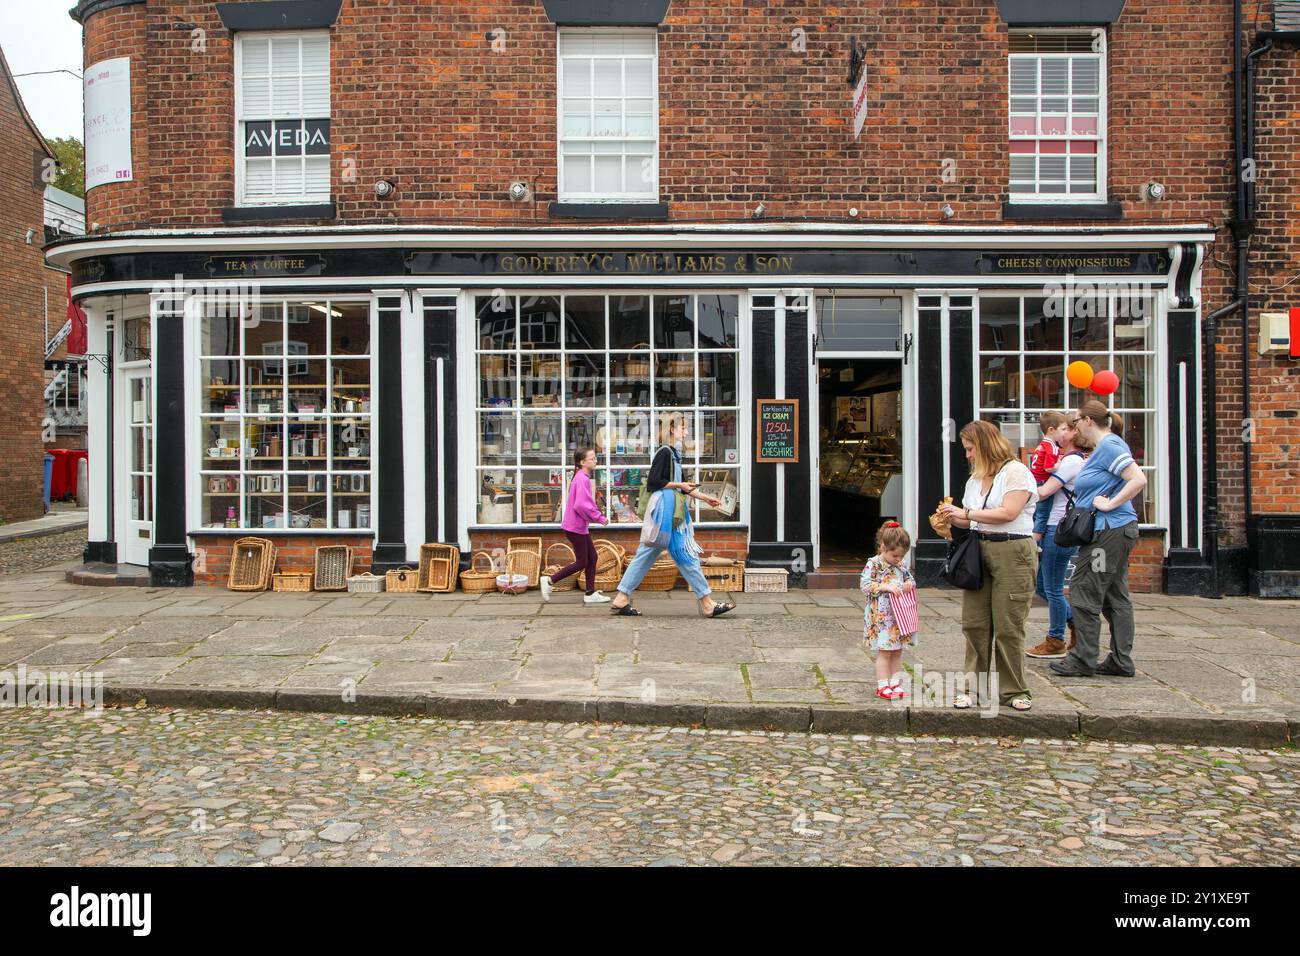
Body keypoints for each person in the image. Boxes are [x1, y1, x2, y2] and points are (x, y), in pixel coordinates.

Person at [940, 420, 1037, 712]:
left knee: (1009, 625)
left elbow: (1008, 512)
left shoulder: (1016, 472)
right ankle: (973, 689)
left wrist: (966, 512)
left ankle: (1015, 691)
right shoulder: (974, 480)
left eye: (971, 449)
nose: (968, 455)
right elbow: (972, 519)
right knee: (975, 624)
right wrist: (949, 517)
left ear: (984, 445)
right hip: (978, 548)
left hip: (1013, 549)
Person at [1050, 401, 1147, 679]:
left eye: (1077, 420)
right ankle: (1120, 660)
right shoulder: (1103, 449)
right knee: (1115, 594)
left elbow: (1138, 479)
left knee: (1084, 588)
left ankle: (1083, 658)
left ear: (1089, 421)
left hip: (1108, 532)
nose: (1074, 426)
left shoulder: (1110, 446)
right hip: (1114, 531)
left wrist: (1110, 503)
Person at [609, 412, 736, 618]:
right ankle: (707, 603)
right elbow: (654, 482)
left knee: (646, 553)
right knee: (685, 556)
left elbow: (684, 487)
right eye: (683, 428)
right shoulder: (664, 453)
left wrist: (705, 498)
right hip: (668, 513)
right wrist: (679, 485)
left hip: (671, 511)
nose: (686, 432)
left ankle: (621, 598)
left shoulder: (675, 455)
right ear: (671, 429)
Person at [1026, 420, 1093, 658]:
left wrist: (1017, 490)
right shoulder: (1068, 459)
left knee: (1053, 589)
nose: (1062, 433)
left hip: (1059, 529)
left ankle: (1056, 640)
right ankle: (1077, 623)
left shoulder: (1072, 461)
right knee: (1043, 586)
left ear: (1075, 434)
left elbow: (1044, 491)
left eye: (1067, 430)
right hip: (1054, 528)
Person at [540, 447, 610, 605]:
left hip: (577, 527)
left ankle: (590, 593)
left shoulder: (581, 476)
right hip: (575, 527)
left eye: (595, 458)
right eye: (592, 458)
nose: (596, 461)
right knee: (582, 562)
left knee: (592, 557)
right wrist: (599, 517)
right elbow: (581, 505)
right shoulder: (582, 478)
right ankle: (550, 581)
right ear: (582, 462)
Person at [860, 521, 918, 700]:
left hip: (898, 616)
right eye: (895, 555)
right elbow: (865, 585)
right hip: (882, 617)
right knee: (885, 651)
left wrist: (909, 584)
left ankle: (895, 683)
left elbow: (911, 580)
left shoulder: (901, 565)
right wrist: (886, 587)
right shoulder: (874, 564)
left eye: (901, 556)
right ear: (883, 547)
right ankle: (882, 685)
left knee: (897, 650)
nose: (898, 559)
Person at [1030, 410, 1069, 546]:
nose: (1065, 432)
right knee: (1043, 515)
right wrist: (1060, 464)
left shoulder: (1042, 444)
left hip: (1035, 481)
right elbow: (1049, 467)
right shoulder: (1052, 446)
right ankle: (1035, 543)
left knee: (1035, 513)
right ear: (1051, 430)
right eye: (1063, 429)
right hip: (1043, 482)